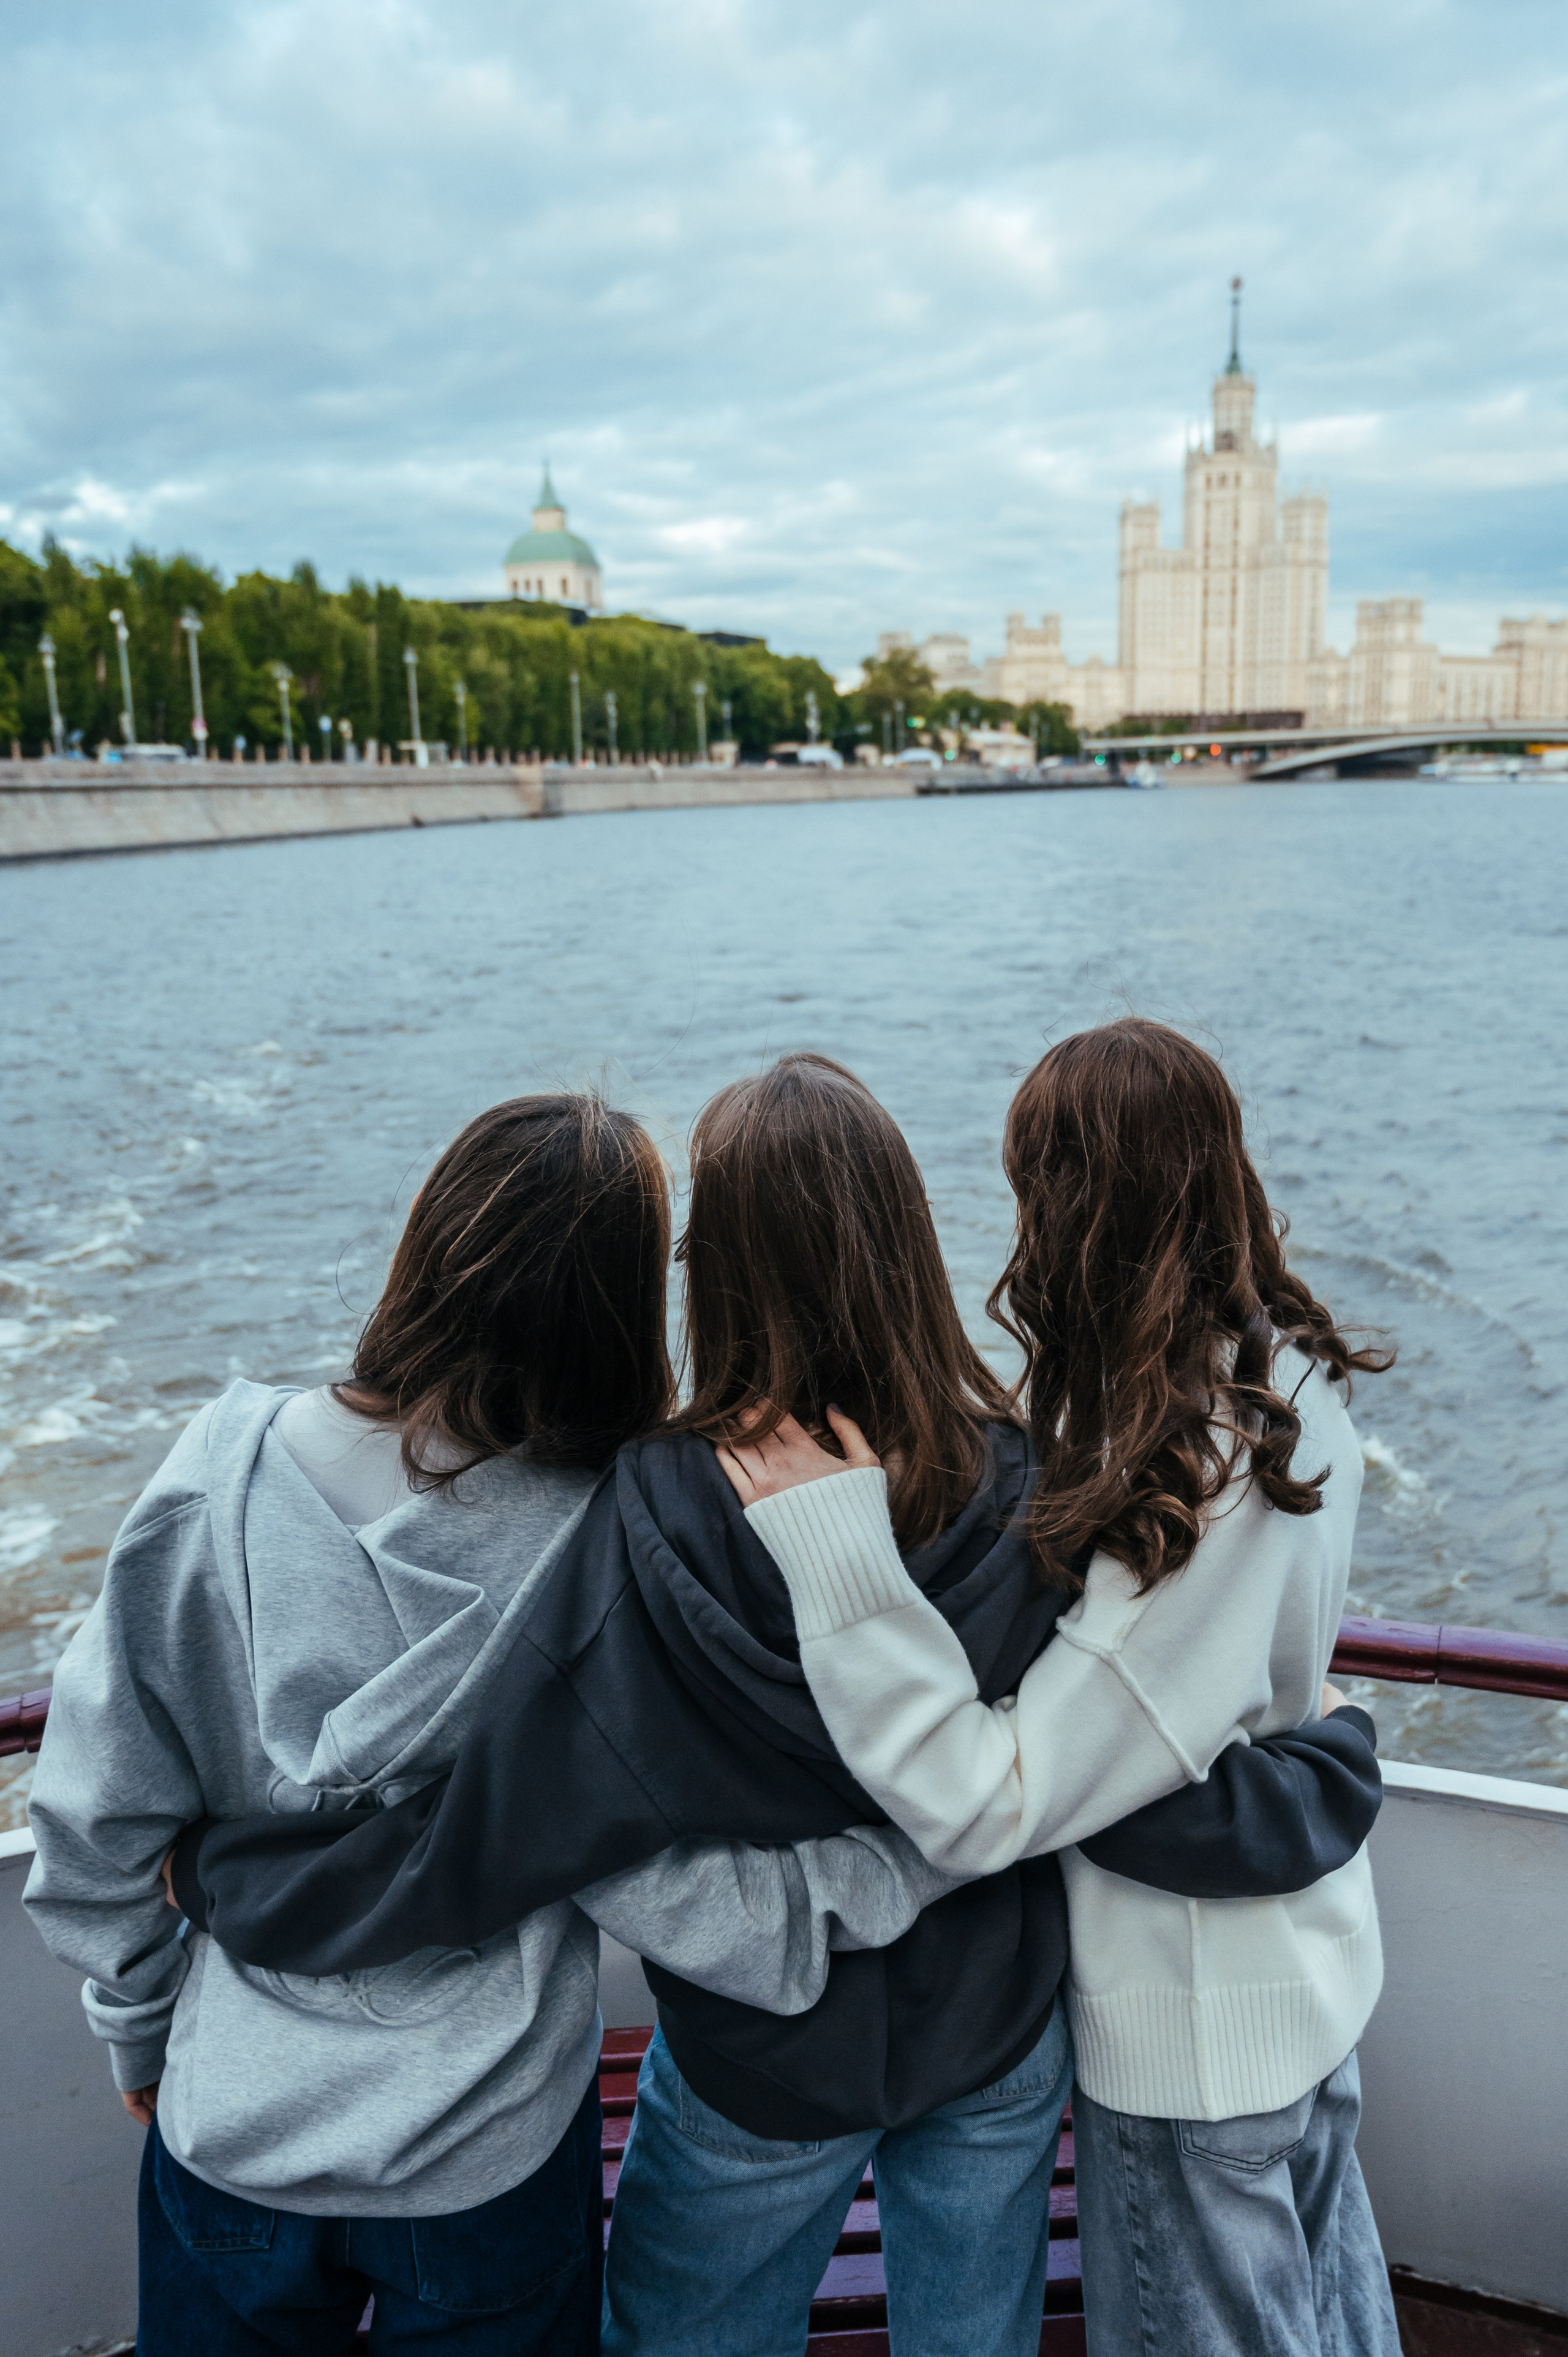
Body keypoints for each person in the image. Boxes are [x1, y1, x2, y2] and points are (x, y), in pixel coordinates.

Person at [164, 1054, 1385, 2357]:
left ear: (712, 1268)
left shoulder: (652, 1504)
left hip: (767, 2060)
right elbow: (1119, 1757)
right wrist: (1329, 1755)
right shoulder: (1036, 1479)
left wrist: (236, 1878)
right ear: (912, 1238)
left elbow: (511, 1819)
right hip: (995, 2030)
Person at [24, 1094, 966, 2357]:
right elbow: (665, 1881)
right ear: (617, 1309)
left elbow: (94, 1818)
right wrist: (928, 1851)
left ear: (428, 1245)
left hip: (235, 2123)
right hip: (483, 2150)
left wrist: (139, 2027)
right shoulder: (611, 1544)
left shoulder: (214, 1476)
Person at [717, 1020, 1403, 2357]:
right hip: (1310, 1977)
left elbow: (988, 1801)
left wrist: (838, 1547)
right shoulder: (1290, 1379)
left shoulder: (1180, 1498)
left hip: (1191, 2037)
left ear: (1074, 1213)